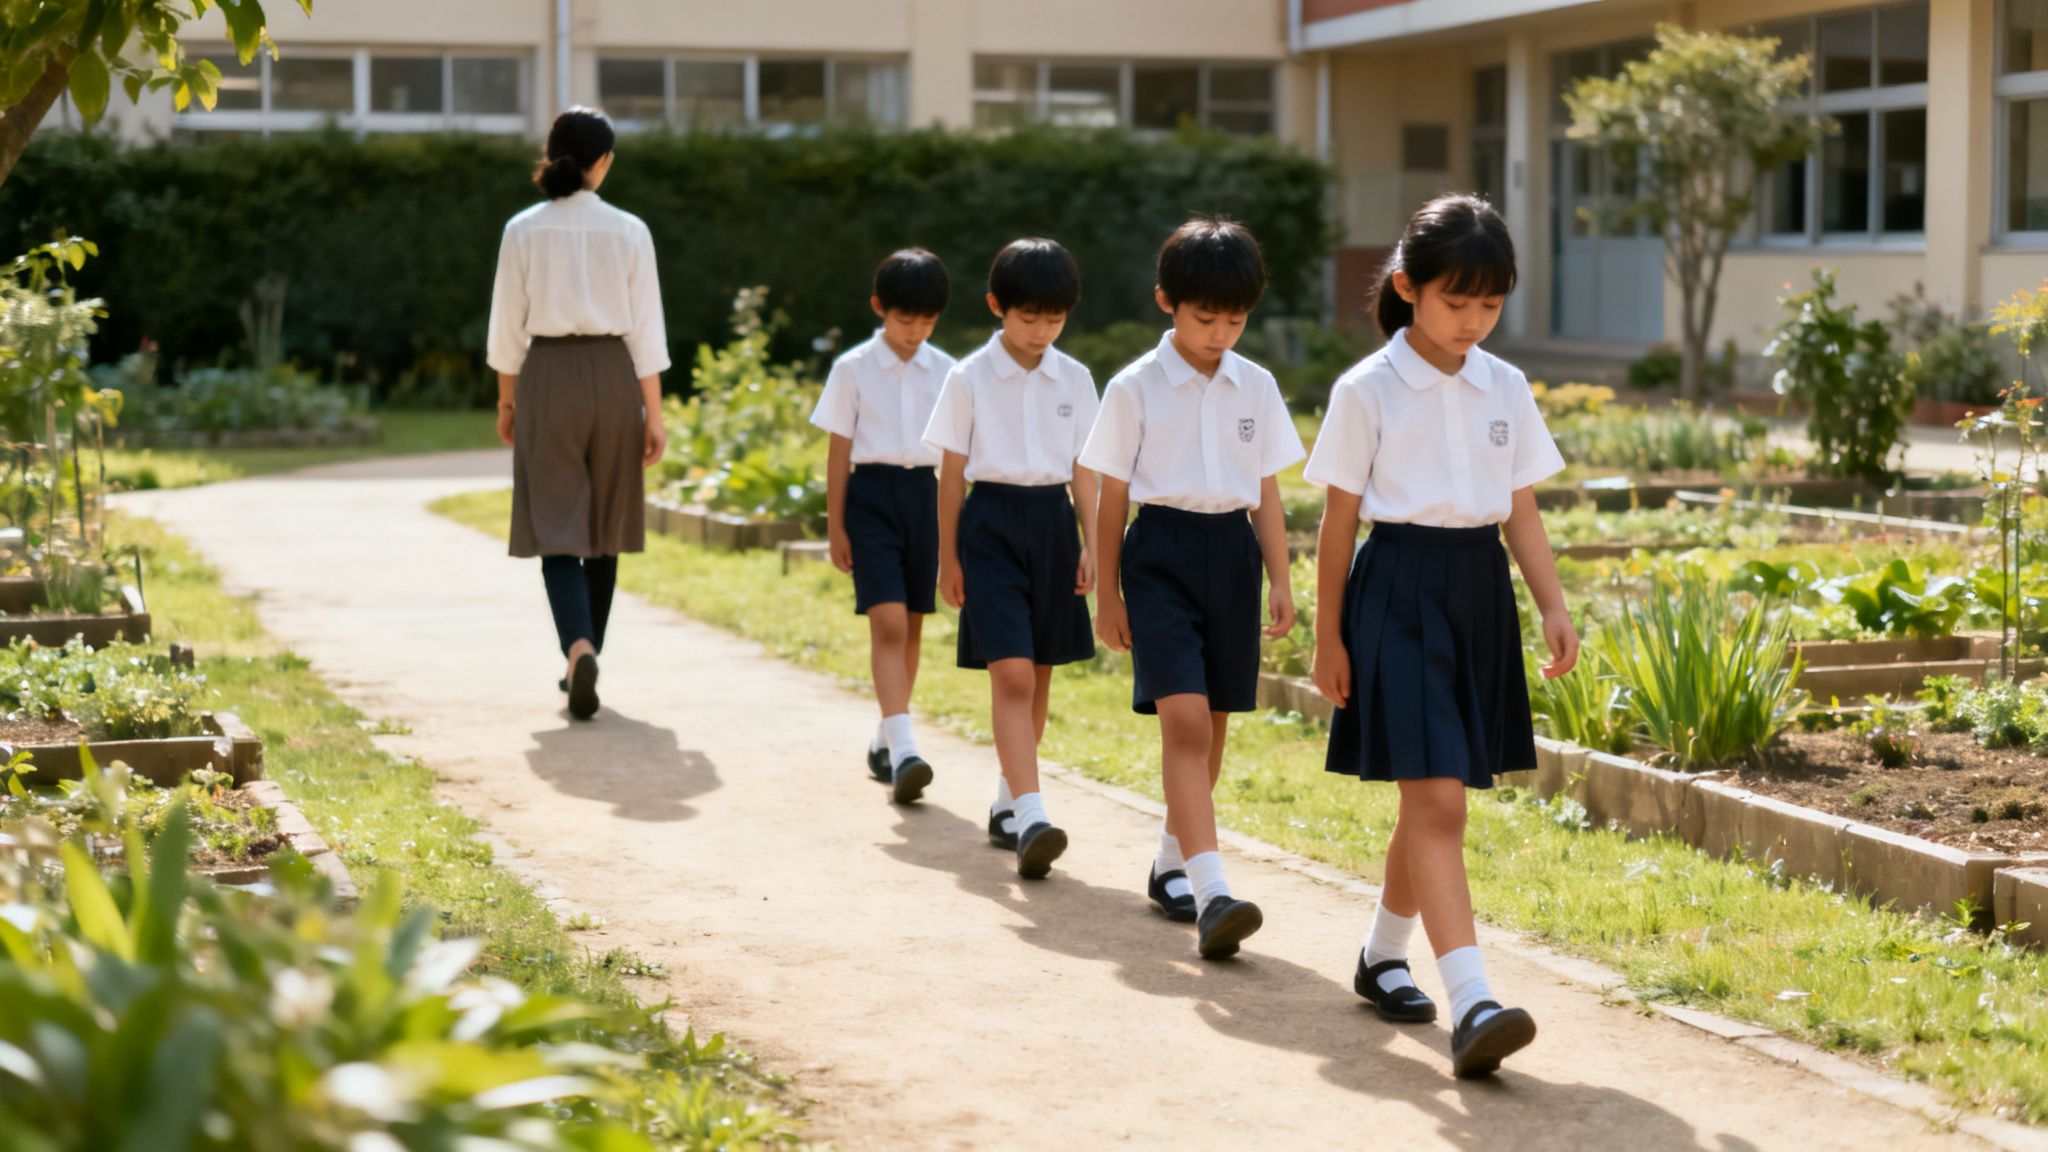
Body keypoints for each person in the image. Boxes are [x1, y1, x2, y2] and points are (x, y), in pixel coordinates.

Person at [1303, 193, 1577, 1078]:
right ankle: (1474, 1002)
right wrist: (1328, 638)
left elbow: (1521, 510)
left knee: (1431, 796)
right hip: (1396, 594)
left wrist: (1552, 604)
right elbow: (1337, 526)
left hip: (1477, 594)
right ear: (1408, 288)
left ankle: (1384, 955)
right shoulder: (1366, 390)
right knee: (1440, 801)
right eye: (1457, 302)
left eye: (1490, 304)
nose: (1473, 322)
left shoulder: (1507, 385)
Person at [1080, 217, 1302, 960]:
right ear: (1166, 302)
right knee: (1185, 724)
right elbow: (1113, 496)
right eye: (1206, 317)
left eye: (1235, 319)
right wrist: (1106, 593)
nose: (1220, 333)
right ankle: (1213, 892)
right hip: (1161, 554)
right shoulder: (1134, 386)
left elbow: (1265, 488)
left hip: (1232, 555)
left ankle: (1171, 864)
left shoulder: (1257, 385)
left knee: (1215, 721)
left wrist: (1281, 576)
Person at [486, 106, 669, 722]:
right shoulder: (630, 230)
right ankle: (586, 655)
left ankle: (577, 648)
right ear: (604, 162)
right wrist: (655, 415)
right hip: (615, 375)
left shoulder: (523, 229)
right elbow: (648, 331)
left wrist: (508, 400)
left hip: (548, 376)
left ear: (552, 153)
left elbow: (506, 327)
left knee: (556, 523)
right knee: (608, 524)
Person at [923, 238, 1099, 877]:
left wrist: (1093, 544)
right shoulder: (967, 376)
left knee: (1042, 673)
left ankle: (1007, 801)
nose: (1041, 331)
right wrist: (948, 557)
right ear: (998, 306)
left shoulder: (1075, 378)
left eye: (1054, 319)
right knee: (1013, 675)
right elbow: (951, 475)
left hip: (1053, 525)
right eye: (1029, 318)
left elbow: (1085, 472)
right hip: (990, 525)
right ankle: (1032, 815)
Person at [810, 249, 958, 804]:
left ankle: (888, 738)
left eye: (927, 320)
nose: (915, 331)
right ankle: (906, 747)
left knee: (914, 623)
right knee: (888, 622)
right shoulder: (852, 368)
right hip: (870, 498)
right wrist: (836, 528)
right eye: (905, 319)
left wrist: (952, 534)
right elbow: (837, 454)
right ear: (880, 309)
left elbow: (954, 458)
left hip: (926, 496)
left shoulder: (946, 371)